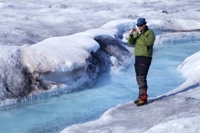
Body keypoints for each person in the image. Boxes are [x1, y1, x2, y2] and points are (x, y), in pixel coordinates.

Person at [128, 18, 155, 106]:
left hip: (145, 57)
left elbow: (149, 43)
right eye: (138, 25)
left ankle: (144, 99)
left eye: (140, 25)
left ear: (144, 24)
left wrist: (141, 34)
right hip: (137, 56)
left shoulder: (150, 33)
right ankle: (140, 96)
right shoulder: (137, 32)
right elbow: (131, 43)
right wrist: (131, 34)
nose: (139, 27)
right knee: (138, 77)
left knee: (142, 77)